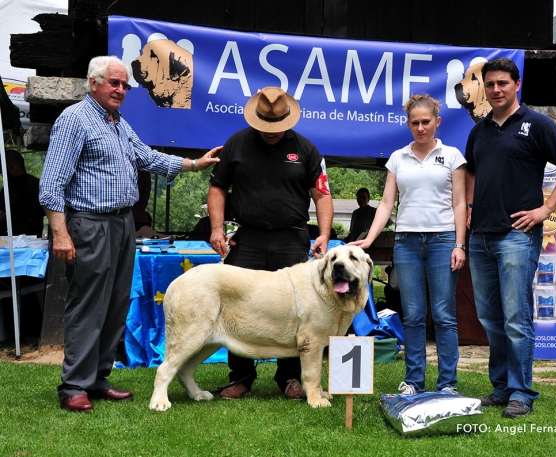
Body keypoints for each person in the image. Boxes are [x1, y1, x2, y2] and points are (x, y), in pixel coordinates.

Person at [38, 55, 222, 413]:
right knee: (88, 303)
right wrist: (60, 233)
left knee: (117, 302)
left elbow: (146, 157)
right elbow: (51, 184)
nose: (121, 90)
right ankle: (74, 385)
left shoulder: (117, 123)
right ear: (94, 83)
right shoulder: (74, 120)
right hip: (89, 223)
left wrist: (192, 164)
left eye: (125, 85)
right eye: (114, 83)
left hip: (123, 224)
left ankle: (98, 378)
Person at [465, 57, 556, 418]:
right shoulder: (480, 130)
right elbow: (471, 171)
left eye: (503, 83)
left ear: (517, 85)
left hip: (517, 236)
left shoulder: (536, 124)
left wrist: (545, 210)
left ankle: (521, 393)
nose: (496, 89)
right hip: (481, 236)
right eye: (490, 84)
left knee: (516, 316)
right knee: (489, 317)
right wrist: (470, 205)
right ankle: (501, 387)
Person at [208, 86, 334, 400]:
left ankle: (290, 378)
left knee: (294, 308)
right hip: (246, 237)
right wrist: (216, 228)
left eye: (277, 126)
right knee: (238, 306)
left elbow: (322, 195)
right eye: (266, 126)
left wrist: (325, 234)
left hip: (292, 238)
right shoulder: (236, 143)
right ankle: (241, 377)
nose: (272, 132)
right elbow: (217, 188)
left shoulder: (306, 149)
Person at [349, 94, 466, 396]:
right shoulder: (398, 158)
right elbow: (387, 204)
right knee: (412, 314)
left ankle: (448, 384)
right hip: (406, 241)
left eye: (426, 122)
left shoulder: (453, 155)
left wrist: (460, 244)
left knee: (443, 314)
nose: (421, 127)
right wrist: (371, 238)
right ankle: (414, 380)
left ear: (437, 122)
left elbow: (460, 203)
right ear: (408, 124)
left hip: (443, 240)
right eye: (415, 123)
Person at [0, 149, 45, 237]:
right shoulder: (38, 183)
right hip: (36, 234)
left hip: (13, 238)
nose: (2, 175)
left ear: (11, 168)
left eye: (2, 172)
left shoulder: (10, 188)